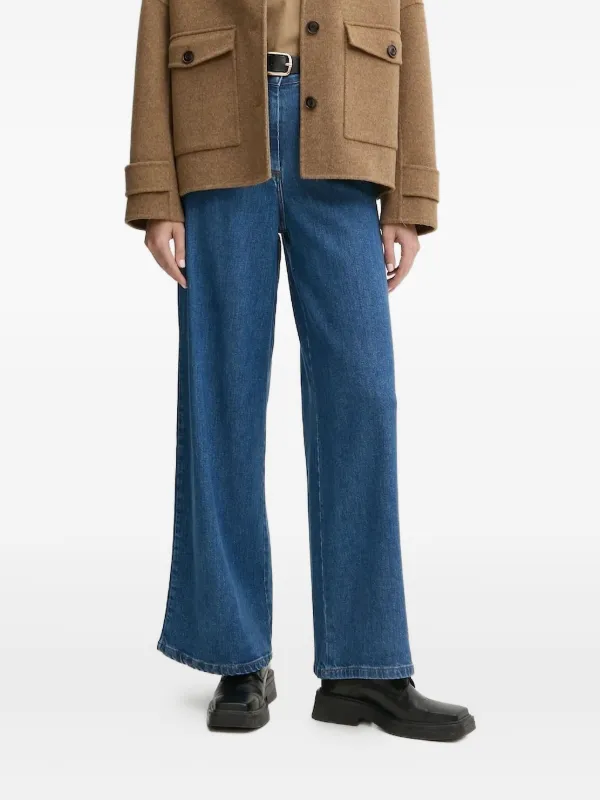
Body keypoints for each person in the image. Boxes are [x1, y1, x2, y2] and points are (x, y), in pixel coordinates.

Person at [125, 0, 475, 741]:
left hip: (347, 136)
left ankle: (364, 668)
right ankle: (236, 656)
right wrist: (155, 191)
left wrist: (409, 195)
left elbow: (408, 27)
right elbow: (157, 23)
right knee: (222, 398)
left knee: (363, 401)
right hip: (218, 131)